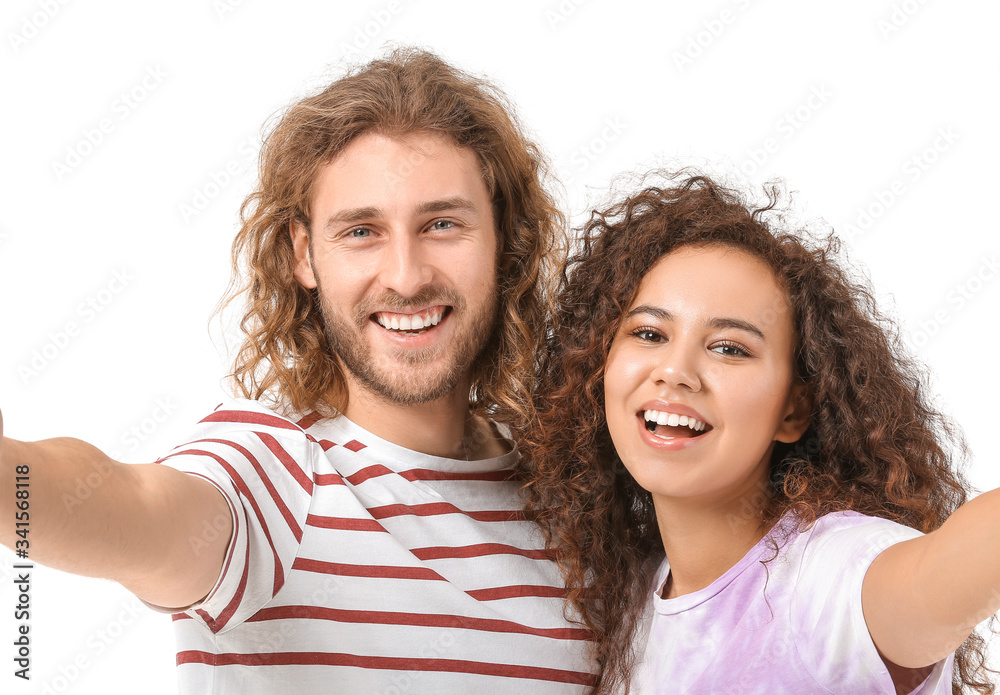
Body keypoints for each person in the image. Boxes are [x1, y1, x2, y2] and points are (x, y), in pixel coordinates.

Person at [0, 48, 595, 694]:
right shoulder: (272, 474)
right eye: (362, 232)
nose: (405, 275)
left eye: (442, 224)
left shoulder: (572, 505)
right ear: (302, 254)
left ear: (504, 238)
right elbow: (135, 505)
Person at [520, 172, 998, 694]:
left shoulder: (824, 578)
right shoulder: (632, 599)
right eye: (649, 333)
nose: (675, 370)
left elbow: (945, 571)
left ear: (793, 412)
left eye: (729, 348)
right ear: (598, 368)